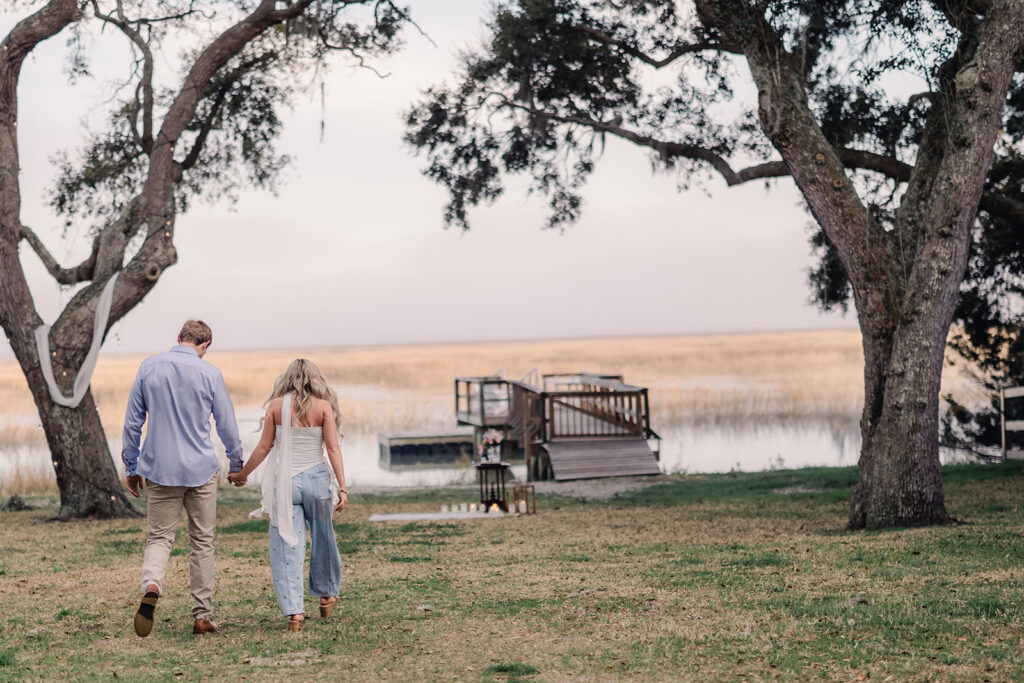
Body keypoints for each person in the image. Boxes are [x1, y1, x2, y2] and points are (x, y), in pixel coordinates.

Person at [121, 320, 242, 637]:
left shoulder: (149, 367)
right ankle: (202, 616)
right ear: (205, 346)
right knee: (202, 542)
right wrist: (236, 461)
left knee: (160, 538)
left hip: (160, 470)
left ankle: (152, 583)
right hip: (201, 470)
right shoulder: (210, 373)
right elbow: (226, 423)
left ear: (178, 339)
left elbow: (133, 421)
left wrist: (131, 466)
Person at [227, 358, 348, 632]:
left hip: (286, 484)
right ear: (315, 380)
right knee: (324, 538)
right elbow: (332, 450)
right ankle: (327, 597)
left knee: (286, 546)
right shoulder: (324, 407)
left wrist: (242, 474)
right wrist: (342, 486)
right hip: (317, 480)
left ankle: (295, 613)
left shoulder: (275, 406)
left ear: (286, 379)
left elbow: (263, 447)